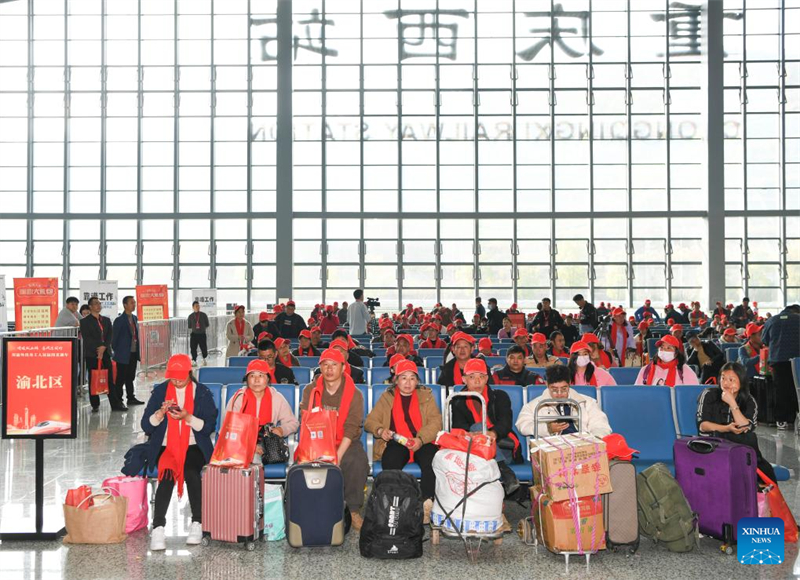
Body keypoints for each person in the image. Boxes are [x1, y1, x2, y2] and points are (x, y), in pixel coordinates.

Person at [143, 355, 218, 551]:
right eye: (173, 378)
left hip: (194, 445)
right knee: (167, 475)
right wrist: (159, 415)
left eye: (180, 378)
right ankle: (158, 527)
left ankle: (198, 522)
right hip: (165, 446)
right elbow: (146, 425)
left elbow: (208, 426)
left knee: (191, 472)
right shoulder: (160, 391)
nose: (176, 382)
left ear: (189, 373)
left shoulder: (201, 393)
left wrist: (188, 417)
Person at [300, 348, 370, 530]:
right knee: (305, 463)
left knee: (357, 461)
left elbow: (352, 427)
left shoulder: (355, 394)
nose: (329, 369)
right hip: (317, 441)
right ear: (320, 368)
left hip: (347, 442)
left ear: (343, 367)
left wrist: (336, 456)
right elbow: (305, 420)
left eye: (334, 365)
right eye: (325, 365)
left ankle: (354, 510)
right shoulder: (310, 390)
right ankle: (313, 508)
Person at [365, 360, 442, 523]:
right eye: (403, 378)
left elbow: (436, 422)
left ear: (417, 381)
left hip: (422, 440)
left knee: (431, 460)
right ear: (396, 380)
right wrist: (380, 430)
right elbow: (370, 421)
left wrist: (420, 439)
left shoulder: (426, 396)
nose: (408, 383)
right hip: (396, 441)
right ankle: (395, 504)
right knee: (390, 461)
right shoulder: (387, 397)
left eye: (412, 378)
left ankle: (427, 504)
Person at [451, 358, 522, 496]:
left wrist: (493, 434)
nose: (477, 381)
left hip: (501, 446)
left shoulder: (500, 396)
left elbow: (505, 423)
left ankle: (501, 469)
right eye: (472, 377)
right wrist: (477, 436)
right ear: (464, 379)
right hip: (473, 450)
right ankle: (504, 471)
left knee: (479, 428)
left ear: (486, 379)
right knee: (477, 428)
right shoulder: (458, 400)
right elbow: (459, 427)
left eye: (481, 377)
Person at [697, 362, 776, 482]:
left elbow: (745, 427)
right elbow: (703, 426)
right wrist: (726, 428)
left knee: (747, 438)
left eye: (731, 379)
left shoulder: (749, 401)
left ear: (742, 382)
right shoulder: (708, 394)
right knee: (748, 442)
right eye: (723, 378)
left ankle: (760, 492)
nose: (726, 383)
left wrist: (732, 404)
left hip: (739, 451)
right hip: (711, 446)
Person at [226, 359, 299, 458]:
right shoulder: (239, 398)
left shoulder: (276, 398)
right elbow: (228, 428)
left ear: (268, 379)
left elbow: (293, 423)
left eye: (261, 375)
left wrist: (281, 430)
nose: (256, 380)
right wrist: (251, 446)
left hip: (268, 445)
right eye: (252, 376)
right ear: (247, 380)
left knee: (257, 458)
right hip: (240, 444)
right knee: (254, 458)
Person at [517, 365, 612, 438]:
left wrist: (593, 440)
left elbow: (601, 425)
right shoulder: (535, 405)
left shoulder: (586, 402)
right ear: (547, 384)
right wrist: (547, 428)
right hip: (552, 449)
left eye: (563, 389)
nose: (559, 394)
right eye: (554, 389)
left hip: (582, 447)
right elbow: (523, 425)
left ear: (570, 383)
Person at [80, 296, 124, 412]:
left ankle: (115, 404)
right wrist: (98, 348)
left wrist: (104, 347)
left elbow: (110, 335)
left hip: (105, 353)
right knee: (93, 378)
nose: (98, 305)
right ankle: (95, 404)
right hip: (92, 354)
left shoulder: (106, 320)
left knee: (109, 378)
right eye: (95, 303)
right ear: (90, 307)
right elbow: (87, 338)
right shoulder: (84, 321)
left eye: (99, 303)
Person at [761, 304, 800, 430]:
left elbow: (765, 340)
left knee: (780, 389)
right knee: (796, 388)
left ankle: (781, 420)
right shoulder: (798, 319)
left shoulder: (772, 320)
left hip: (777, 360)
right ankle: (796, 416)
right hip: (797, 360)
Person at [111, 295, 145, 407]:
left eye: (134, 303)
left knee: (130, 377)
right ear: (125, 305)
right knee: (120, 378)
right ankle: (118, 400)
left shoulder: (135, 318)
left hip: (133, 352)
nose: (134, 305)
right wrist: (117, 351)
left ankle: (131, 397)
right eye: (131, 303)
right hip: (123, 353)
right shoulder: (119, 320)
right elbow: (114, 338)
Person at [187, 301, 210, 366]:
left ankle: (205, 358)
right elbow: (189, 326)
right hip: (194, 334)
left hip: (202, 334)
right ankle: (194, 360)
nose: (197, 307)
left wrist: (201, 328)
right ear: (193, 307)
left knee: (203, 347)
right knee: (193, 348)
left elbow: (207, 324)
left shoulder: (204, 315)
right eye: (196, 306)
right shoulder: (190, 316)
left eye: (198, 306)